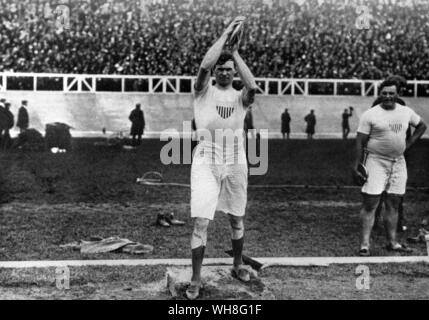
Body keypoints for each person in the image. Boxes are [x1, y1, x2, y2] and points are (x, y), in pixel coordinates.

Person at [187, 16, 257, 300]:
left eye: (230, 70)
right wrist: (226, 33)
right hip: (206, 159)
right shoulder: (203, 91)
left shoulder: (241, 96)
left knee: (237, 218)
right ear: (216, 71)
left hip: (235, 159)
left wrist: (236, 53)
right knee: (201, 222)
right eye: (222, 69)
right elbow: (204, 65)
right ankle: (195, 278)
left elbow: (253, 87)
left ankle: (237, 263)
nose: (225, 73)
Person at [353, 78, 427, 257]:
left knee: (393, 204)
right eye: (384, 93)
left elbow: (422, 126)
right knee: (370, 203)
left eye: (391, 93)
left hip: (398, 162)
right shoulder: (370, 114)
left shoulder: (406, 111)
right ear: (380, 94)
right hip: (376, 161)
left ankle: (392, 242)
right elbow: (360, 141)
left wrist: (407, 144)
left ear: (397, 94)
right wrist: (356, 164)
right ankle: (365, 245)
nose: (388, 96)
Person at [371, 76, 409, 233]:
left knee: (377, 189)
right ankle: (397, 224)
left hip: (379, 150)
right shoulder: (399, 104)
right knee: (395, 191)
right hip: (391, 151)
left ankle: (374, 222)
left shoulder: (377, 102)